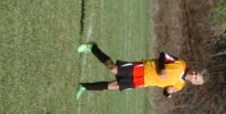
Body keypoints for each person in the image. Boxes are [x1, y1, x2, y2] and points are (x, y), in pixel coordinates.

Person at [75, 42, 207, 99]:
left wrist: (168, 92)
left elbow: (167, 94)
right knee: (113, 69)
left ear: (194, 83)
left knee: (113, 86)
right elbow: (163, 55)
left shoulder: (180, 86)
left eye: (196, 78)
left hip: (142, 82)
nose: (193, 75)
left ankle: (84, 87)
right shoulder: (181, 64)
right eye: (196, 73)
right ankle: (92, 47)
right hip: (142, 69)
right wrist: (162, 69)